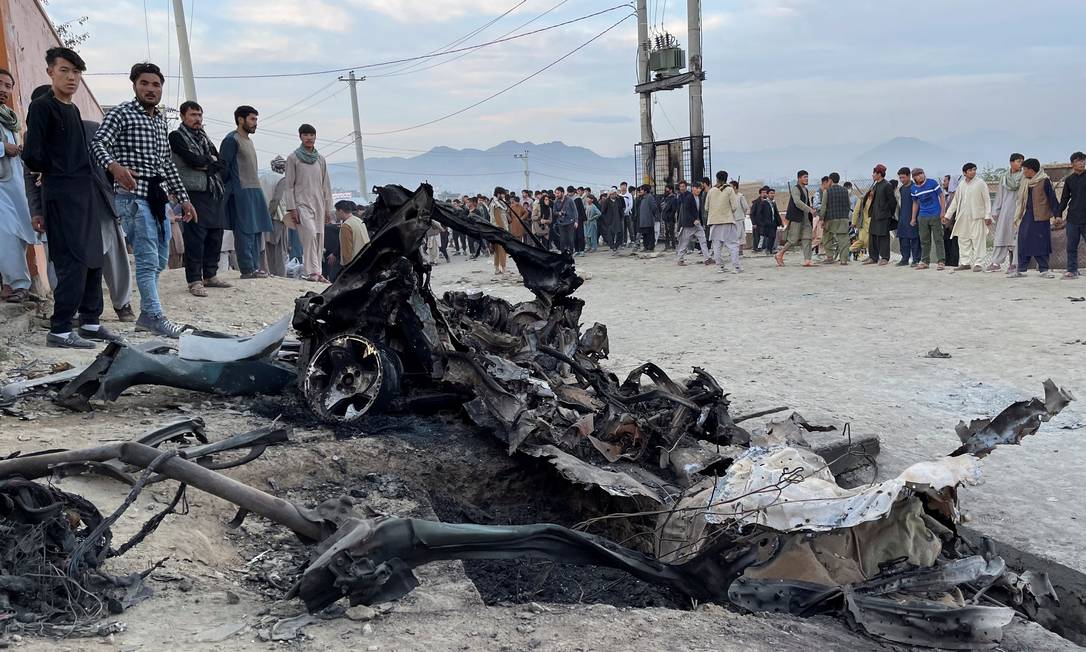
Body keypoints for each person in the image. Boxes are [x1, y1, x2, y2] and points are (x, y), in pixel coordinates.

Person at [23, 49, 121, 347]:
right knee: (72, 260)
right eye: (64, 70)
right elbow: (32, 155)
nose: (71, 77)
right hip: (62, 194)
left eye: (76, 72)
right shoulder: (42, 107)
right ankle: (61, 329)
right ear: (50, 72)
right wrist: (53, 171)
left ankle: (90, 322)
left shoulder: (73, 109)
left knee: (93, 257)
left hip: (85, 192)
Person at [90, 61, 195, 339]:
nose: (150, 89)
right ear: (134, 86)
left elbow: (166, 163)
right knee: (148, 260)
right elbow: (97, 143)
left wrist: (184, 199)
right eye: (144, 83)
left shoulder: (160, 120)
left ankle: (148, 315)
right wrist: (114, 167)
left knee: (159, 259)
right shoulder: (122, 113)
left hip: (158, 197)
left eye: (156, 84)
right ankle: (154, 316)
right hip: (133, 196)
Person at [168, 100, 231, 296]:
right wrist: (209, 162)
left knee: (215, 234)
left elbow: (222, 164)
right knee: (195, 238)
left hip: (213, 191)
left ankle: (210, 275)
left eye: (199, 115)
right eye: (193, 115)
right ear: (183, 116)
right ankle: (194, 280)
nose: (197, 119)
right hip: (193, 192)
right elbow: (191, 159)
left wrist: (206, 163)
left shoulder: (204, 138)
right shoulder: (176, 136)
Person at [220, 105, 272, 279]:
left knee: (256, 231)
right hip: (240, 191)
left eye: (256, 119)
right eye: (252, 119)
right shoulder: (231, 140)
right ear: (241, 119)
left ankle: (255, 267)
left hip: (254, 189)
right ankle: (247, 269)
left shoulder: (248, 140)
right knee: (245, 231)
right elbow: (223, 168)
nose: (255, 123)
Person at [0, 68, 34, 304]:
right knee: (7, 233)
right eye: (0, 84)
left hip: (14, 184)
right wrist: (3, 148)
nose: (3, 89)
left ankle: (11, 285)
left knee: (18, 233)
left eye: (8, 86)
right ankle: (17, 284)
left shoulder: (9, 117)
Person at [283, 123, 334, 283]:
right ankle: (311, 271)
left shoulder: (320, 159)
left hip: (319, 203)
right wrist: (292, 208)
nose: (309, 138)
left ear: (315, 137)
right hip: (301, 203)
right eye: (305, 135)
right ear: (300, 137)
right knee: (309, 234)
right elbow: (289, 185)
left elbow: (326, 185)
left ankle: (317, 272)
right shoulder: (293, 158)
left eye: (311, 135)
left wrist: (328, 209)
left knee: (318, 237)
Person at [1013, 158, 1059, 278]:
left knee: (1041, 243)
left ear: (1031, 170)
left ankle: (1044, 270)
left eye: (1025, 169)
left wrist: (1057, 216)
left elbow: (1052, 199)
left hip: (1041, 217)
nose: (1023, 172)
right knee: (1023, 241)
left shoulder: (1044, 181)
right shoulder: (1025, 181)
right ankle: (1021, 269)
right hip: (1026, 215)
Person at [946, 162, 989, 272]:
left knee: (978, 240)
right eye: (970, 170)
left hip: (977, 216)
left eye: (974, 169)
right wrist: (948, 215)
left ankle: (979, 263)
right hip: (963, 217)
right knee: (963, 240)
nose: (973, 172)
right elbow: (955, 201)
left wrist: (987, 215)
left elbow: (987, 200)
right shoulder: (961, 184)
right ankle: (965, 263)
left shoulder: (980, 183)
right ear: (964, 173)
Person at [988, 153, 1025, 274]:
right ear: (1011, 162)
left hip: (1019, 211)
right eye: (1018, 161)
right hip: (1005, 211)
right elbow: (1000, 194)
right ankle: (996, 262)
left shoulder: (1024, 177)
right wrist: (996, 210)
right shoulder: (1004, 177)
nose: (1020, 164)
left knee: (1016, 237)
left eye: (1022, 162)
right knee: (1001, 235)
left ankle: (1015, 264)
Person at [909, 168, 947, 270]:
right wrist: (913, 218)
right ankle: (925, 261)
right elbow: (915, 203)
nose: (920, 176)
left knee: (938, 239)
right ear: (914, 177)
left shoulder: (932, 183)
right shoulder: (913, 189)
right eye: (918, 175)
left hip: (935, 215)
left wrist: (943, 212)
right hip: (922, 216)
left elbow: (941, 196)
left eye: (921, 173)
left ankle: (941, 261)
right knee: (924, 240)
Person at [776, 170, 816, 267]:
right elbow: (797, 202)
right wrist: (810, 209)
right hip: (797, 217)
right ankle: (780, 254)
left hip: (806, 218)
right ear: (799, 178)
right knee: (793, 239)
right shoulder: (795, 189)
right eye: (804, 177)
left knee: (807, 238)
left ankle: (807, 260)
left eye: (807, 177)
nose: (806, 179)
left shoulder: (805, 189)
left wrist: (810, 211)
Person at [259, 155, 289, 276]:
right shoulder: (283, 179)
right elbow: (277, 199)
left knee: (268, 249)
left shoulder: (262, 178)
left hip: (263, 217)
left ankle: (271, 274)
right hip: (278, 218)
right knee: (280, 250)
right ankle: (281, 276)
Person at [1058, 151, 1086, 279]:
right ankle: (1072, 270)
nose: (1082, 163)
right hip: (1073, 218)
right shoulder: (1069, 180)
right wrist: (1058, 214)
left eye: (1083, 160)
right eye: (1079, 161)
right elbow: (1064, 199)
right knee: (1071, 246)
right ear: (1072, 164)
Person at [706, 170, 741, 273]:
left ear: (717, 178)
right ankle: (736, 267)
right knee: (733, 245)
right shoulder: (729, 190)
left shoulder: (711, 191)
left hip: (714, 221)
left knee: (717, 246)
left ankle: (720, 267)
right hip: (727, 220)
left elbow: (706, 207)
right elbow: (734, 206)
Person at [865, 165, 896, 265]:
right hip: (875, 215)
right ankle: (873, 257)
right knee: (872, 236)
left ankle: (885, 257)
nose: (872, 175)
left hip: (884, 215)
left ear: (879, 174)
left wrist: (889, 213)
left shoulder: (887, 185)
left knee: (883, 237)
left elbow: (893, 202)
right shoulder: (876, 185)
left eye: (874, 173)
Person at [675, 180, 711, 266]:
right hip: (689, 224)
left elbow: (699, 212)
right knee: (684, 242)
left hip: (697, 224)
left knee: (703, 240)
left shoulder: (699, 198)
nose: (698, 190)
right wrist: (693, 220)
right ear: (692, 188)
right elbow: (686, 211)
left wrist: (701, 222)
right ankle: (680, 259)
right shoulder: (688, 198)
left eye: (700, 188)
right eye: (696, 188)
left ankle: (707, 258)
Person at [819, 172, 852, 265]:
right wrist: (845, 214)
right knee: (843, 240)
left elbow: (823, 207)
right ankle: (843, 260)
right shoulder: (845, 191)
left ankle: (830, 257)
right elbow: (849, 204)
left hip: (831, 219)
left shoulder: (827, 192)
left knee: (826, 238)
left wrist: (822, 219)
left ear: (830, 180)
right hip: (843, 218)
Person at [895, 167, 920, 266]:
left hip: (913, 217)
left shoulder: (915, 188)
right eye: (900, 178)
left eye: (903, 177)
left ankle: (916, 259)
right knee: (903, 239)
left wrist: (914, 218)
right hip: (903, 218)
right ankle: (904, 259)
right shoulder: (901, 189)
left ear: (909, 176)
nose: (902, 180)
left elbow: (917, 203)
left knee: (915, 239)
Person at [337, 199, 370, 265]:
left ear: (340, 211)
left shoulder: (346, 226)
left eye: (336, 211)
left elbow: (347, 250)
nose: (336, 213)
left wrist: (347, 265)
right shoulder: (359, 220)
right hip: (365, 258)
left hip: (354, 263)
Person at [490, 187, 509, 273]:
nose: (504, 196)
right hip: (499, 229)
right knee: (501, 249)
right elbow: (498, 219)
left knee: (497, 249)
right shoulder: (496, 204)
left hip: (497, 229)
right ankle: (503, 267)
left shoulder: (497, 202)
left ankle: (497, 267)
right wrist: (503, 230)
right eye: (503, 194)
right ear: (498, 194)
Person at [749, 186, 773, 254]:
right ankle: (756, 249)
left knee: (765, 236)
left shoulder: (769, 202)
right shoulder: (756, 202)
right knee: (757, 236)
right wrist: (754, 223)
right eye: (763, 192)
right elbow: (752, 213)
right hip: (757, 223)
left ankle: (765, 248)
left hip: (766, 223)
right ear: (760, 194)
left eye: (765, 192)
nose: (764, 194)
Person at [636, 184, 659, 252]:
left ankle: (650, 248)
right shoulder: (642, 198)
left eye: (642, 190)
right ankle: (645, 247)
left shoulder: (650, 197)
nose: (640, 191)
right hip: (642, 220)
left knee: (650, 235)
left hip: (648, 220)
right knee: (644, 235)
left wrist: (653, 216)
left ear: (645, 191)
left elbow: (654, 207)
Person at [730, 180, 750, 255]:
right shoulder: (729, 196)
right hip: (731, 219)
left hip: (739, 218)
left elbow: (745, 207)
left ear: (735, 187)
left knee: (740, 235)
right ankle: (734, 250)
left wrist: (743, 215)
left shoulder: (740, 196)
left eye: (731, 186)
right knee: (732, 236)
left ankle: (740, 250)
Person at [603, 189, 624, 255]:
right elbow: (603, 211)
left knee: (620, 233)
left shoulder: (618, 200)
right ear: (610, 195)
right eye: (613, 194)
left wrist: (622, 216)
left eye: (615, 194)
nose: (614, 195)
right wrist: (606, 219)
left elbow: (621, 208)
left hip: (618, 219)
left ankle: (616, 246)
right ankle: (612, 247)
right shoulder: (607, 201)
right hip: (610, 221)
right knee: (610, 234)